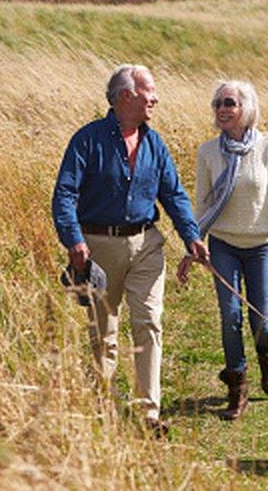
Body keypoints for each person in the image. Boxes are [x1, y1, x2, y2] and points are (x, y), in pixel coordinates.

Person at [52, 64, 209, 434]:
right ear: (127, 95)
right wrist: (73, 240)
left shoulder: (155, 144)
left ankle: (148, 414)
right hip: (96, 248)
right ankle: (100, 409)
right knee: (103, 332)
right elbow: (65, 195)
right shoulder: (87, 140)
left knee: (148, 323)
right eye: (148, 91)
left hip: (147, 244)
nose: (155, 98)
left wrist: (191, 236)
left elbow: (173, 194)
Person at [177, 80, 268, 421]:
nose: (221, 109)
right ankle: (238, 387)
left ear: (245, 108)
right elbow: (201, 203)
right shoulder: (207, 152)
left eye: (229, 103)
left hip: (262, 244)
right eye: (217, 103)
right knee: (230, 315)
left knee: (261, 317)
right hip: (223, 245)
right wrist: (193, 244)